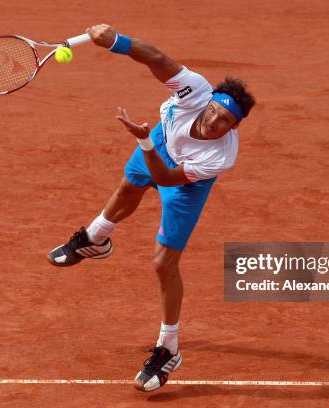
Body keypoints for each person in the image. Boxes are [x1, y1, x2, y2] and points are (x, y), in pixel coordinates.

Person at [47, 24, 255, 392]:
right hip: (160, 140)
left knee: (163, 263)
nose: (214, 122)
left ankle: (168, 348)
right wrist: (114, 41)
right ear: (207, 101)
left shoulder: (220, 157)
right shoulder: (194, 88)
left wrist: (144, 140)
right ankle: (96, 240)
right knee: (129, 186)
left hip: (183, 180)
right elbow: (156, 58)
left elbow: (168, 179)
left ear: (235, 127)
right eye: (214, 113)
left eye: (226, 122)